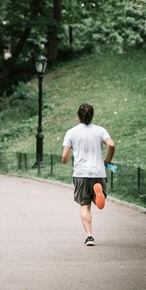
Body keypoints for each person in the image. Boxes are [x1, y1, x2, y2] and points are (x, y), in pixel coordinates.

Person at [62, 103, 115, 246]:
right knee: (96, 199)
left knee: (84, 205)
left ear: (78, 115)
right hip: (98, 172)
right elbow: (111, 145)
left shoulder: (71, 132)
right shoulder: (100, 130)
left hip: (81, 173)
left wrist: (65, 160)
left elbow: (65, 156)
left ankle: (89, 236)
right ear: (92, 115)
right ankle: (98, 196)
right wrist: (108, 159)